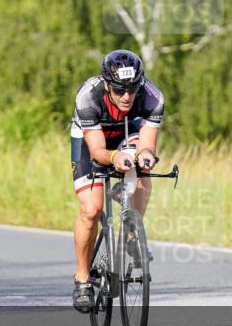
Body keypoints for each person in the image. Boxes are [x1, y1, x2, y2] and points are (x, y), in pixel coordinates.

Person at [69, 49, 163, 312]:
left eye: (132, 90)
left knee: (143, 169)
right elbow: (98, 151)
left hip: (128, 133)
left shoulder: (153, 97)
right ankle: (82, 279)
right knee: (91, 210)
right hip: (92, 141)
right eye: (120, 90)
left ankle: (132, 234)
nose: (126, 97)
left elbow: (147, 144)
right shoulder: (88, 97)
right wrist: (114, 157)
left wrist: (145, 156)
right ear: (107, 84)